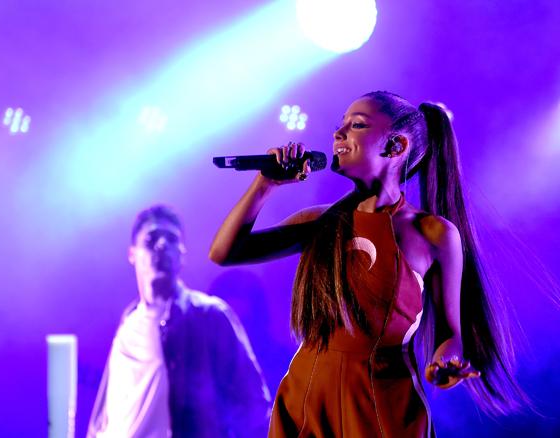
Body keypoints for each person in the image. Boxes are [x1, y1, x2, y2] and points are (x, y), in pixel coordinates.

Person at [209, 91, 525, 437]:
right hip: (307, 396)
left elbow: (451, 333)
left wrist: (445, 363)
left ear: (395, 147)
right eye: (339, 126)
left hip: (382, 403)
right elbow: (225, 252)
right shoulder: (317, 222)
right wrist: (265, 183)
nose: (338, 133)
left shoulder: (433, 234)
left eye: (356, 125)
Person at [88, 204, 271, 438]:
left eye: (171, 239)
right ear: (132, 253)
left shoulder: (209, 315)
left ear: (182, 253)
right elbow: (105, 416)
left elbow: (254, 404)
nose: (162, 245)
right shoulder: (128, 324)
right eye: (151, 238)